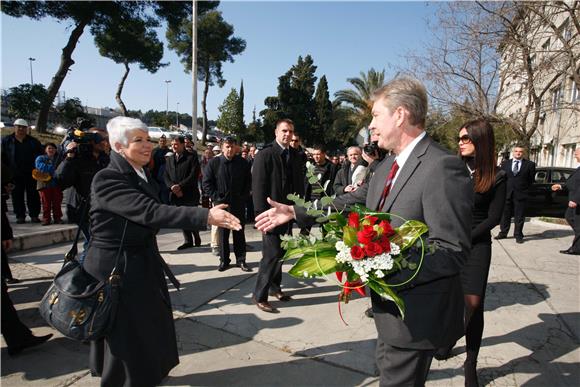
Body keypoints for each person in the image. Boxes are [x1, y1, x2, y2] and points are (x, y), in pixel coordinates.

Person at [255, 77, 473, 385]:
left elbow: (451, 250)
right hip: (386, 312)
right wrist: (295, 211)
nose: (371, 125)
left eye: (375, 115)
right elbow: (350, 200)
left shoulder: (442, 166)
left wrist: (383, 264)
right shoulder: (385, 167)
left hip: (416, 313)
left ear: (400, 115)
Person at [84, 116, 241, 386]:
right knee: (126, 334)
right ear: (119, 147)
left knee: (147, 325)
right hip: (115, 267)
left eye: (148, 139)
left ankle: (150, 373)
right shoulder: (107, 178)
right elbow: (150, 212)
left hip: (138, 260)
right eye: (139, 140)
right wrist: (204, 216)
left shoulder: (139, 172)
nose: (148, 145)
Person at [436, 119, 507, 386]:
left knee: (473, 306)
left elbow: (494, 217)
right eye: (459, 139)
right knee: (449, 298)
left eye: (466, 138)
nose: (461, 143)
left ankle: (471, 362)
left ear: (481, 140)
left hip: (477, 245)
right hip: (449, 244)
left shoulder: (498, 176)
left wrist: (466, 237)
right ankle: (447, 338)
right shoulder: (452, 169)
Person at [252, 118, 306, 313]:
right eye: (284, 130)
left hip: (288, 214)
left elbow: (299, 185)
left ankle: (276, 288)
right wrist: (260, 215)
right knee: (271, 254)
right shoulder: (265, 155)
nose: (287, 134)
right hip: (270, 215)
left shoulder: (296, 155)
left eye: (290, 131)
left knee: (282, 253)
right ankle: (259, 295)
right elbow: (258, 187)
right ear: (276, 132)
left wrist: (299, 212)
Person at [203, 137, 252, 272]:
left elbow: (248, 182)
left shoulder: (242, 163)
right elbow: (206, 183)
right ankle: (224, 261)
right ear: (222, 147)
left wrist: (243, 196)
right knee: (223, 234)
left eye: (232, 146)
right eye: (227, 146)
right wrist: (216, 197)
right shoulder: (214, 163)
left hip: (238, 203)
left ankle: (241, 260)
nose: (230, 149)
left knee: (239, 232)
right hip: (222, 205)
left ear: (236, 147)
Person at [1, 118, 43, 223]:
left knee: (33, 194)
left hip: (31, 173)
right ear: (14, 127)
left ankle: (34, 215)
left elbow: (41, 156)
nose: (21, 129)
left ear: (27, 128)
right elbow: (3, 157)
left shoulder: (34, 142)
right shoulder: (7, 141)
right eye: (18, 126)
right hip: (14, 173)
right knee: (17, 195)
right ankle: (20, 215)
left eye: (23, 127)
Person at [164, 136, 202, 250]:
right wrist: (172, 187)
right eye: (172, 145)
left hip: (189, 193)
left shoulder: (191, 157)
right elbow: (166, 175)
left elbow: (193, 175)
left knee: (190, 217)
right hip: (176, 194)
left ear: (182, 144)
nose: (173, 147)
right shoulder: (170, 159)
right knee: (182, 218)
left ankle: (196, 236)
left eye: (176, 144)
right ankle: (188, 240)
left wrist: (180, 186)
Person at [496, 145, 536, 243]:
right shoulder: (505, 164)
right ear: (513, 153)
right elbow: (502, 178)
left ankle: (518, 235)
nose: (518, 153)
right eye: (516, 151)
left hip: (521, 194)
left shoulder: (530, 164)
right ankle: (503, 233)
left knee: (520, 216)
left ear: (523, 153)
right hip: (507, 193)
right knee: (505, 215)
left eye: (520, 151)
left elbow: (531, 180)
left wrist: (525, 190)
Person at [551, 147, 580, 255]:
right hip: (574, 200)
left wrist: (576, 199)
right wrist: (561, 186)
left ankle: (576, 248)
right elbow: (574, 183)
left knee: (577, 224)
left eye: (576, 153)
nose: (575, 156)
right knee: (570, 218)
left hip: (577, 202)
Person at [34, 142, 64, 225]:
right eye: (49, 148)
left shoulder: (59, 158)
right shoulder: (40, 158)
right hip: (44, 184)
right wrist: (55, 169)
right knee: (45, 203)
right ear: (45, 150)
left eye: (53, 148)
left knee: (57, 202)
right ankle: (46, 219)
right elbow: (41, 167)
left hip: (56, 184)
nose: (51, 150)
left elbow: (63, 169)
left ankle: (58, 218)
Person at [149, 134, 171, 204]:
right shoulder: (154, 151)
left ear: (166, 142)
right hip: (155, 173)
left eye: (164, 141)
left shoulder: (169, 151)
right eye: (161, 141)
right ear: (159, 142)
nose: (162, 142)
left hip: (165, 174)